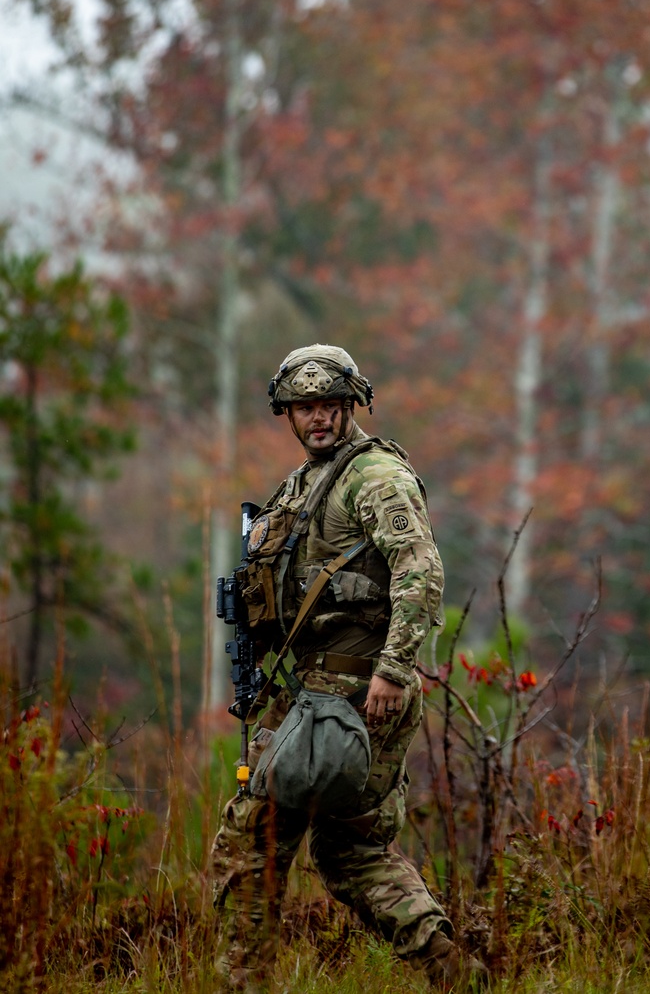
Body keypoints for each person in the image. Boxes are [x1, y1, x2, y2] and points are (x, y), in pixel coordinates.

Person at [211, 343, 466, 990]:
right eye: (304, 407)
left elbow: (420, 569)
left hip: (353, 690)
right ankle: (455, 971)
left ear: (352, 404)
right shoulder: (307, 482)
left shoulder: (374, 477)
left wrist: (393, 671)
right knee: (348, 851)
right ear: (287, 414)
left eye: (329, 404)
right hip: (312, 687)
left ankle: (242, 982)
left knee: (254, 840)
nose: (318, 418)